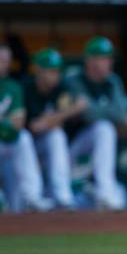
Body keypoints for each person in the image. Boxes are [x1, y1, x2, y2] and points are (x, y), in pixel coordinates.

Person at [66, 36, 127, 210]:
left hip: (90, 158)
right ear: (90, 60)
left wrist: (97, 108)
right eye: (102, 58)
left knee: (121, 196)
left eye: (108, 58)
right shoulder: (75, 79)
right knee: (104, 128)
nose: (107, 62)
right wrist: (105, 110)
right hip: (70, 149)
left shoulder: (112, 81)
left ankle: (104, 191)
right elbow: (88, 115)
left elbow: (121, 114)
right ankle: (104, 191)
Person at [24, 48, 88, 208]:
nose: (56, 75)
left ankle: (63, 197)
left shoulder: (62, 87)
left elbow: (57, 124)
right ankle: (34, 197)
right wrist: (72, 110)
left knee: (56, 135)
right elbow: (35, 126)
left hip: (48, 147)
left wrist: (52, 119)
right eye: (51, 71)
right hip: (23, 153)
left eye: (57, 71)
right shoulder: (27, 88)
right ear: (38, 71)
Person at [0, 43, 53, 212]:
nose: (4, 64)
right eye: (0, 60)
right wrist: (7, 121)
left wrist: (6, 122)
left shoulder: (13, 86)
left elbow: (19, 121)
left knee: (23, 137)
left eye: (6, 60)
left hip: (8, 141)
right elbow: (12, 119)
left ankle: (33, 197)